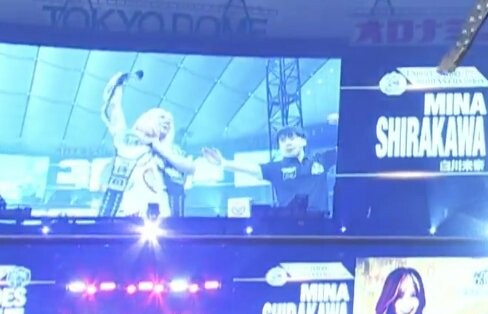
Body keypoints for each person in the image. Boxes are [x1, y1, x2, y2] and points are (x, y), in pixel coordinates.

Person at [99, 73, 195, 218]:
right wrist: (118, 86)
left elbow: (190, 168)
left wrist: (161, 150)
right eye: (162, 117)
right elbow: (115, 112)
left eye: (169, 120)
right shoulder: (130, 143)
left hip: (165, 221)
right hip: (130, 217)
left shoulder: (172, 153)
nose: (167, 121)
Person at [203, 126, 337, 213]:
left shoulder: (321, 160)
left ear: (303, 141)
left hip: (322, 226)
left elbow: (345, 149)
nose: (287, 143)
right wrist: (223, 163)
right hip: (290, 228)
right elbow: (252, 168)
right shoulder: (276, 168)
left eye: (291, 137)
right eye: (282, 140)